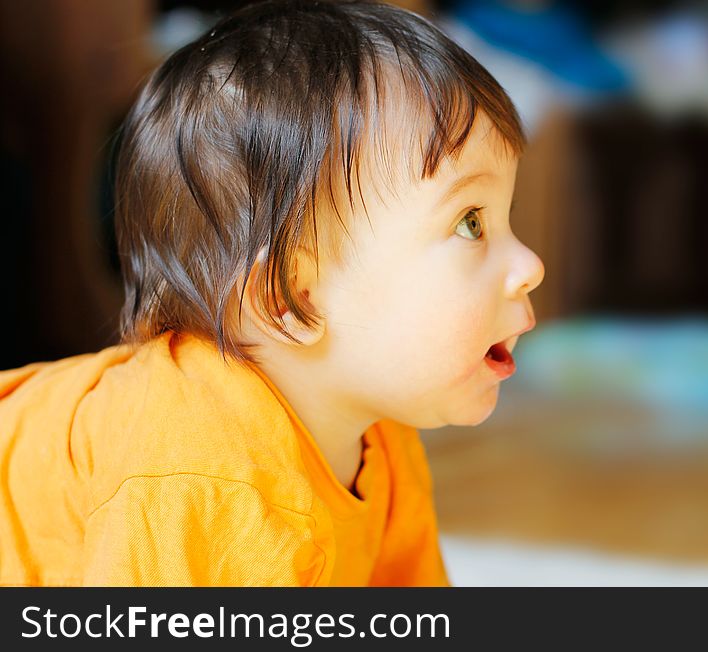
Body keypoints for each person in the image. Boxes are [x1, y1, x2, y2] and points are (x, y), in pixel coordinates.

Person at [0, 0, 544, 586]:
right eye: (470, 222)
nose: (530, 265)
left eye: (503, 215)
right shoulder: (199, 471)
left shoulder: (380, 437)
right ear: (292, 299)